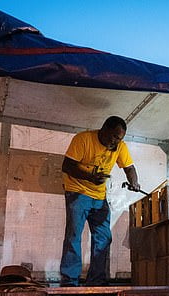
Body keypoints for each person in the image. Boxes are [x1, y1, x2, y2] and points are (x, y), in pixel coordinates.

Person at [60, 116, 140, 287]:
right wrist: (90, 177)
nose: (116, 142)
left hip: (99, 197)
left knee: (103, 237)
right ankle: (69, 282)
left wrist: (134, 181)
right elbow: (67, 166)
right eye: (114, 137)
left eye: (120, 139)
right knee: (74, 235)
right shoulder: (83, 139)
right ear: (104, 130)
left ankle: (96, 281)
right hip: (77, 192)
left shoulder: (120, 146)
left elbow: (129, 167)